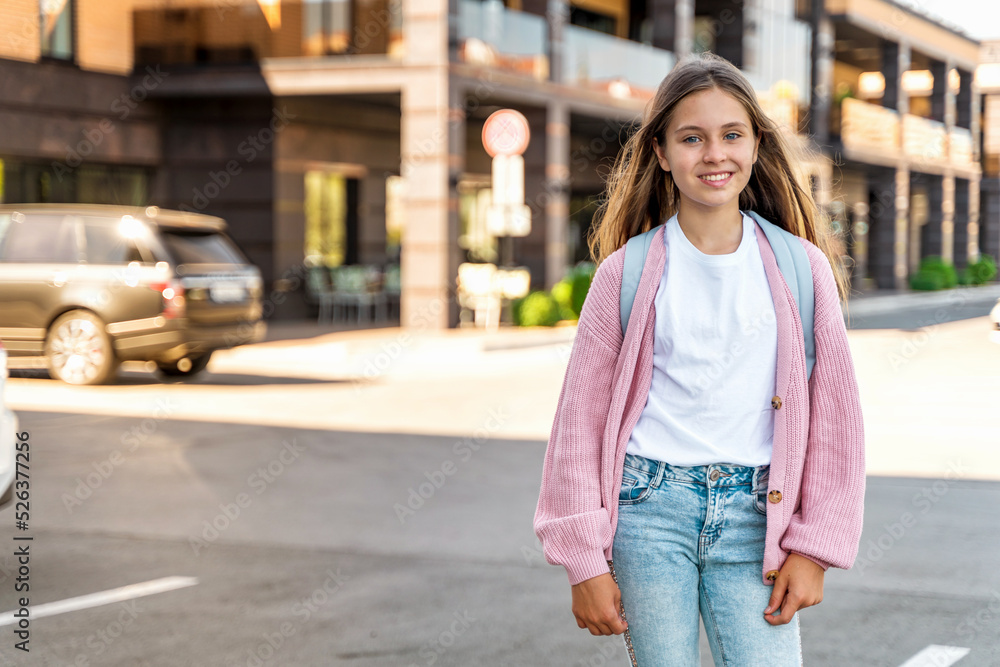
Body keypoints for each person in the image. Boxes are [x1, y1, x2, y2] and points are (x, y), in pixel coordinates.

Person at [532, 52, 865, 666]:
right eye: (692, 138)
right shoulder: (625, 274)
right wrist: (583, 558)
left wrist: (814, 546)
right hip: (648, 515)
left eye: (731, 135)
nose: (715, 154)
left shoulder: (801, 268)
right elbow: (577, 422)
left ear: (756, 145)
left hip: (755, 518)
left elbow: (837, 419)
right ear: (661, 152)